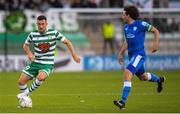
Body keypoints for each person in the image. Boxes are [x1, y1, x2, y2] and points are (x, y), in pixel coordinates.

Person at [17, 15, 80, 107]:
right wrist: (30, 54)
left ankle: (26, 94)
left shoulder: (54, 33)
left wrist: (74, 55)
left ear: (46, 24)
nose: (41, 26)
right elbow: (25, 45)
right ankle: (27, 100)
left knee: (41, 77)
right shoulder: (33, 34)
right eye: (39, 24)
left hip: (47, 64)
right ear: (36, 24)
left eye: (42, 24)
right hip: (35, 62)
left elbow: (68, 42)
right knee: (21, 82)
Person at [113, 6, 165, 110]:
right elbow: (127, 41)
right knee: (143, 77)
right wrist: (120, 53)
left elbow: (156, 31)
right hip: (131, 56)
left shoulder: (141, 24)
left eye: (124, 13)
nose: (122, 15)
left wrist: (155, 44)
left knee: (127, 73)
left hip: (139, 55)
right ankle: (159, 80)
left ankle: (122, 102)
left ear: (128, 15)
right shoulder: (126, 27)